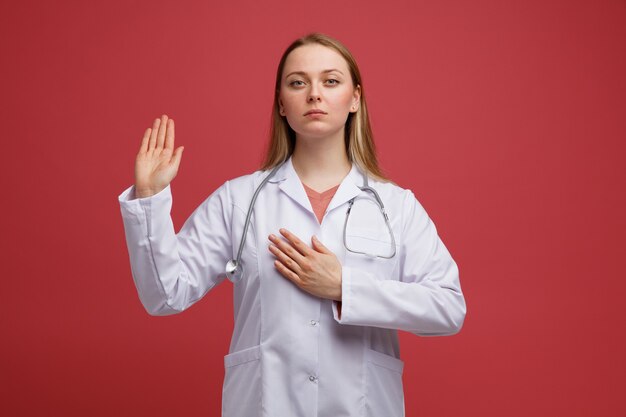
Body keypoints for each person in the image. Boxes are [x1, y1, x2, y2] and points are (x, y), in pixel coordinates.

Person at [118, 32, 466, 417]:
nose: (314, 94)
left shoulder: (396, 206)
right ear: (282, 104)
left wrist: (343, 288)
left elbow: (448, 308)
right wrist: (149, 198)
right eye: (297, 83)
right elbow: (165, 295)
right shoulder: (240, 200)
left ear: (354, 99)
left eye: (330, 81)